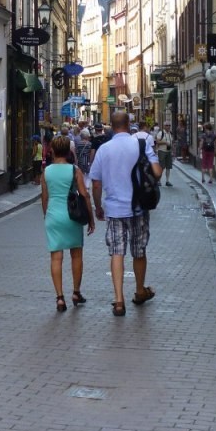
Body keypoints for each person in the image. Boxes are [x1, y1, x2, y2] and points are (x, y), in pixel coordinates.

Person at [89, 111, 162, 316]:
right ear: (129, 125)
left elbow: (96, 182)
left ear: (111, 126)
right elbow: (157, 172)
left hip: (114, 210)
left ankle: (119, 300)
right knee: (139, 250)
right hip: (138, 207)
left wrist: (98, 207)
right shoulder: (140, 144)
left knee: (117, 252)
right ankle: (139, 290)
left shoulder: (104, 149)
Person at [41, 135, 95, 311]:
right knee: (76, 255)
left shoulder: (46, 172)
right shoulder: (74, 170)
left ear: (53, 151)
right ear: (69, 151)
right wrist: (91, 218)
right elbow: (85, 195)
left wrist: (46, 216)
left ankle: (59, 297)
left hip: (53, 216)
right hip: (72, 216)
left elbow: (45, 197)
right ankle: (76, 292)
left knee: (56, 257)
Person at [152, 121, 173, 186]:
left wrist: (173, 151)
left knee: (168, 167)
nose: (168, 126)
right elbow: (157, 142)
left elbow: (172, 142)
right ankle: (159, 181)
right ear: (164, 126)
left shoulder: (170, 133)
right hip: (162, 151)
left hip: (168, 152)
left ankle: (167, 181)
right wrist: (165, 143)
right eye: (167, 125)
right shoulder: (161, 133)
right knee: (161, 167)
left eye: (169, 125)